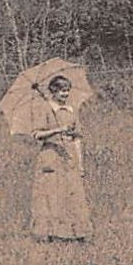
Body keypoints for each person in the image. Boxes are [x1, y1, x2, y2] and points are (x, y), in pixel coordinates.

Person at [27, 74, 90, 241]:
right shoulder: (45, 109)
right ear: (53, 92)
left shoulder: (71, 110)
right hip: (51, 154)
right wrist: (57, 130)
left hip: (69, 156)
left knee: (71, 192)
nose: (65, 94)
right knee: (52, 193)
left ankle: (73, 232)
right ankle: (52, 232)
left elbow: (77, 138)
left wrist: (80, 163)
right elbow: (37, 134)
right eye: (62, 91)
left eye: (68, 90)